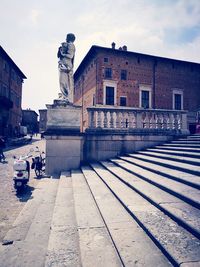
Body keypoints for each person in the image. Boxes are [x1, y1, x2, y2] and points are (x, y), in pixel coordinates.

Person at [57, 33, 76, 103]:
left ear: (69, 38)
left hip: (66, 65)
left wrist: (63, 54)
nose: (65, 38)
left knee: (64, 80)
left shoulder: (71, 45)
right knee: (63, 80)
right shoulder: (69, 45)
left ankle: (66, 96)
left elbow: (70, 56)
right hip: (64, 64)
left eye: (66, 37)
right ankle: (64, 95)